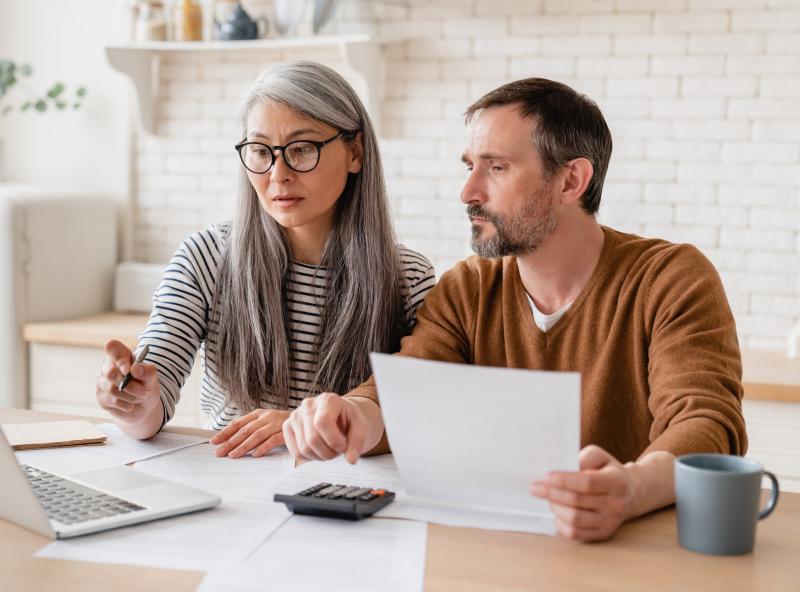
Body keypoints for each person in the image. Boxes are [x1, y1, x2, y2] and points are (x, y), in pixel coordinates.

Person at [281, 77, 748, 542]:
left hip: (631, 552)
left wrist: (631, 488)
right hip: (500, 548)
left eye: (497, 168)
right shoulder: (468, 287)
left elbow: (707, 425)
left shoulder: (669, 279)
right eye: (469, 167)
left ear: (572, 180)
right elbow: (407, 388)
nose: (468, 192)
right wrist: (350, 415)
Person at [95, 61, 435, 458]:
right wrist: (133, 400)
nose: (278, 174)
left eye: (303, 149)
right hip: (234, 483)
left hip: (350, 491)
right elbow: (151, 406)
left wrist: (300, 428)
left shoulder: (407, 277)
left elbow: (417, 416)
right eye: (260, 151)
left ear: (355, 151)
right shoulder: (206, 256)